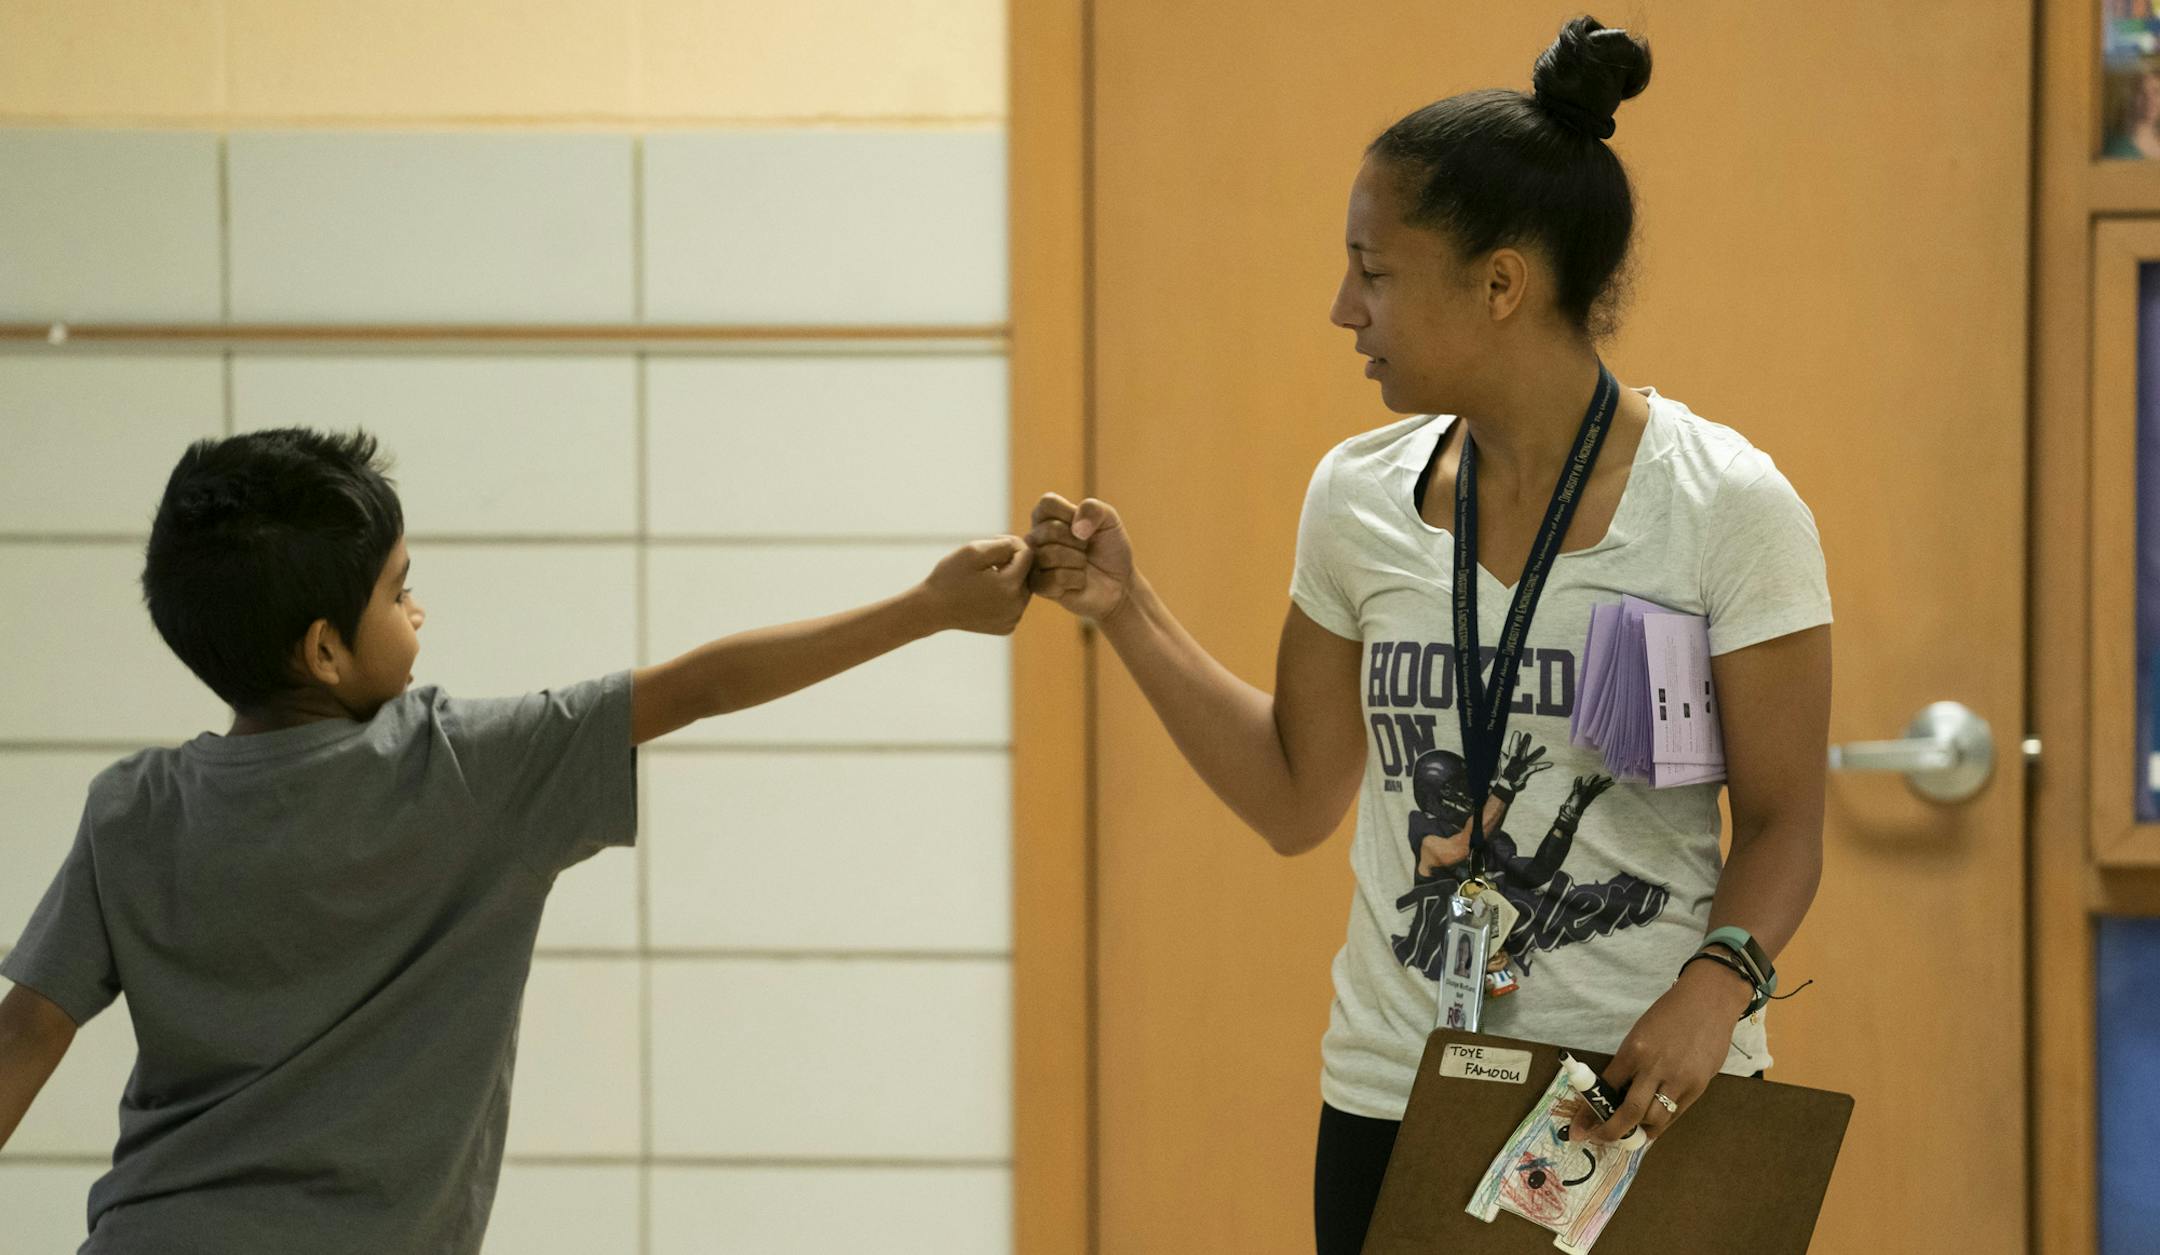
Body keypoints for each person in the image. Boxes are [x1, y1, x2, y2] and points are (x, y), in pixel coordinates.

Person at [1024, 17, 1833, 1253]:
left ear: (1500, 283)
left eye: (1375, 270)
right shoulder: (1356, 496)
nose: (1344, 308)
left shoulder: (1724, 505)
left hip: (1638, 1095)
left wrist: (1713, 989)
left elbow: (1784, 821)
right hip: (1394, 1090)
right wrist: (1125, 612)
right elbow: (1299, 793)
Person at [0, 427, 1032, 1253]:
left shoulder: (132, 807)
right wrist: (929, 607)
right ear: (323, 648)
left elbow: (25, 1035)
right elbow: (702, 684)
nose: (418, 609)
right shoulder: (468, 770)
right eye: (398, 590)